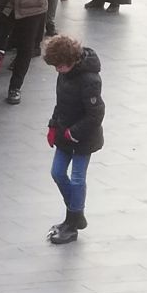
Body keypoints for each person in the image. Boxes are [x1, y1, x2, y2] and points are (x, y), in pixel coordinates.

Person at [44, 35, 105, 245]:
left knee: (77, 177)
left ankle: (72, 221)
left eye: (59, 66)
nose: (57, 70)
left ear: (70, 61)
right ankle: (76, 213)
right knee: (57, 172)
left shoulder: (90, 80)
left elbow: (96, 114)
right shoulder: (64, 74)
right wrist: (53, 124)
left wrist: (74, 132)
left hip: (83, 137)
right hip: (64, 132)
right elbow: (61, 103)